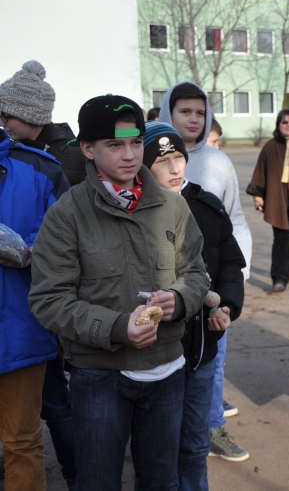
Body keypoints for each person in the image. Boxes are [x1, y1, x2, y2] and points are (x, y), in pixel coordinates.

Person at [28, 94, 209, 491]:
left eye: (134, 142)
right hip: (99, 378)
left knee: (161, 481)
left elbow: (197, 272)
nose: (129, 155)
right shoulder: (66, 215)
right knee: (98, 482)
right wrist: (115, 327)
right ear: (88, 149)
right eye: (114, 144)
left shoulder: (173, 207)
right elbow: (49, 299)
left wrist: (178, 300)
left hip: (167, 372)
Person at [142, 121, 248, 485]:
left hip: (202, 350)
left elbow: (230, 262)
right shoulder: (135, 212)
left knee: (193, 445)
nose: (174, 168)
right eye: (162, 161)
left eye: (178, 158)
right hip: (155, 357)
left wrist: (229, 305)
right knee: (157, 451)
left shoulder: (206, 204)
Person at [159, 82, 252, 458]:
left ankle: (213, 429)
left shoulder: (218, 162)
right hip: (168, 297)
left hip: (213, 296)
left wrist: (236, 283)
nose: (194, 119)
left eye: (200, 112)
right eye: (185, 111)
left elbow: (236, 222)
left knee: (211, 365)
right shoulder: (149, 159)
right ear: (169, 112)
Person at [0, 60, 81, 488]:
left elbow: (65, 243)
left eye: (33, 120)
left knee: (22, 440)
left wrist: (26, 250)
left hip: (24, 327)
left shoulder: (44, 169)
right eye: (20, 118)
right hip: (29, 328)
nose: (24, 127)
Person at [247, 109, 289, 292]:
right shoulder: (270, 146)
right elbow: (260, 172)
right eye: (285, 122)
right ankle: (279, 279)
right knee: (282, 240)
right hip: (278, 200)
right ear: (278, 125)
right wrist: (259, 198)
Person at [0, 60, 86, 185]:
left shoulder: (72, 155)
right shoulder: (12, 150)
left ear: (30, 115)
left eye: (6, 116)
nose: (2, 123)